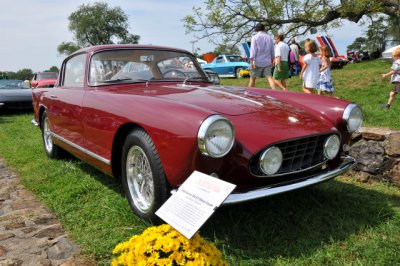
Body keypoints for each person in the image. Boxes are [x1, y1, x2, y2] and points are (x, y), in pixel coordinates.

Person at [248, 23, 276, 89]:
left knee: (252, 79)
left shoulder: (254, 37)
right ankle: (274, 90)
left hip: (257, 61)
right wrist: (272, 59)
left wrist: (251, 62)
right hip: (267, 61)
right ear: (264, 29)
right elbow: (272, 50)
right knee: (269, 77)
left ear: (256, 29)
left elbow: (253, 50)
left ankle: (249, 93)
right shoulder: (269, 38)